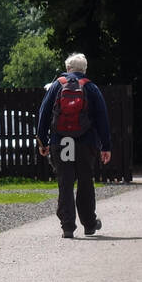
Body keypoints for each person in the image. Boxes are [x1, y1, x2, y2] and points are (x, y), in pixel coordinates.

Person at [37, 53, 112, 238]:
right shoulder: (90, 87)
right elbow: (103, 118)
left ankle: (68, 226)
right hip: (86, 143)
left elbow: (44, 113)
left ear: (68, 68)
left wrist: (42, 141)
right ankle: (89, 224)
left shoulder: (57, 85)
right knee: (86, 182)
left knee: (65, 182)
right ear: (84, 69)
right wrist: (106, 146)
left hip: (60, 141)